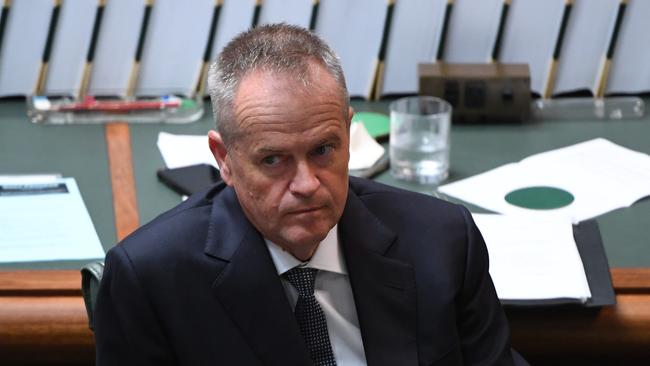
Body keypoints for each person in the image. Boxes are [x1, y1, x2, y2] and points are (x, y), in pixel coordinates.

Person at [94, 23, 522, 365]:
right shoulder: (150, 279)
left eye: (322, 150)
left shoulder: (443, 241)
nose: (306, 184)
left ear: (348, 134)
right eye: (274, 160)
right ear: (224, 158)